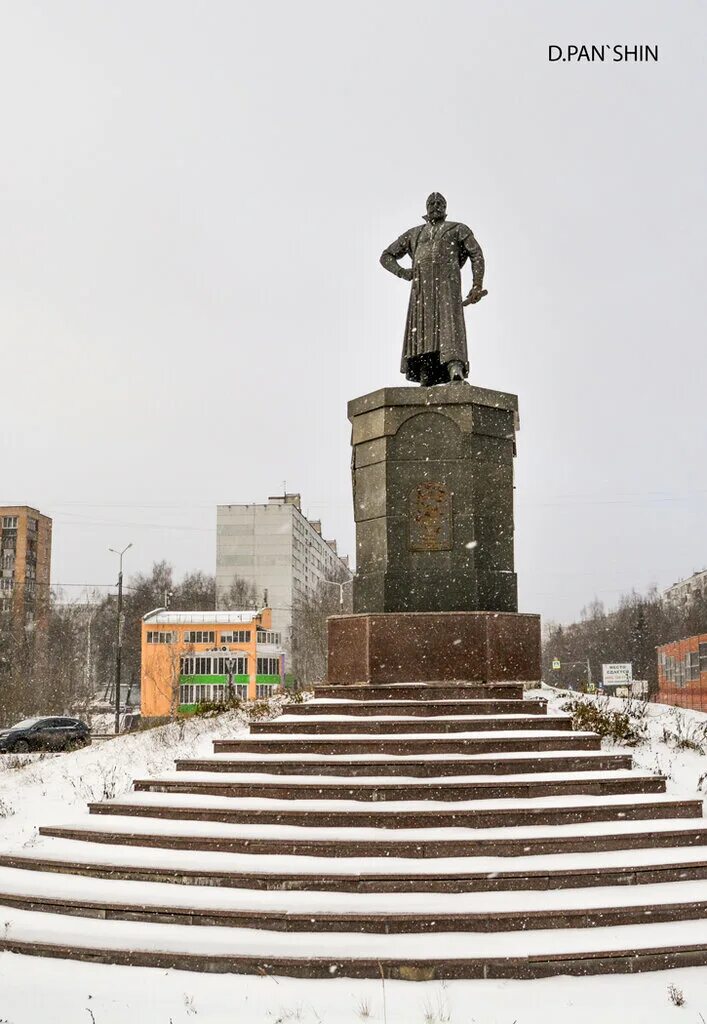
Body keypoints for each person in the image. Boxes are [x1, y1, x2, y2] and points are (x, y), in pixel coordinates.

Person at [380, 192, 487, 385]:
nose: (435, 205)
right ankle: (425, 371)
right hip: (421, 289)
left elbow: (476, 254)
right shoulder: (414, 234)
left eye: (440, 203)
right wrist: (402, 272)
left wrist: (477, 284)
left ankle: (455, 367)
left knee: (450, 325)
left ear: (445, 208)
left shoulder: (457, 229)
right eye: (431, 203)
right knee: (422, 327)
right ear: (426, 207)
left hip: (448, 285)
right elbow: (386, 256)